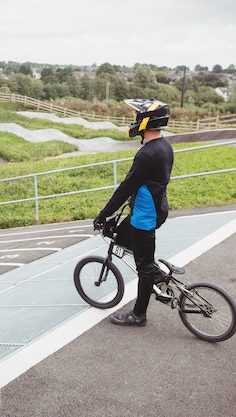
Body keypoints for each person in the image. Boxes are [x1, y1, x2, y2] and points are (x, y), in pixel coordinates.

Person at [93, 98, 174, 327]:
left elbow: (126, 186)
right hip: (155, 209)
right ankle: (152, 268)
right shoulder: (164, 145)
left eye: (137, 116)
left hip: (144, 216)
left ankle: (139, 315)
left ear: (145, 121)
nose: (134, 120)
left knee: (144, 269)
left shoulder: (148, 153)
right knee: (118, 233)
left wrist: (103, 213)